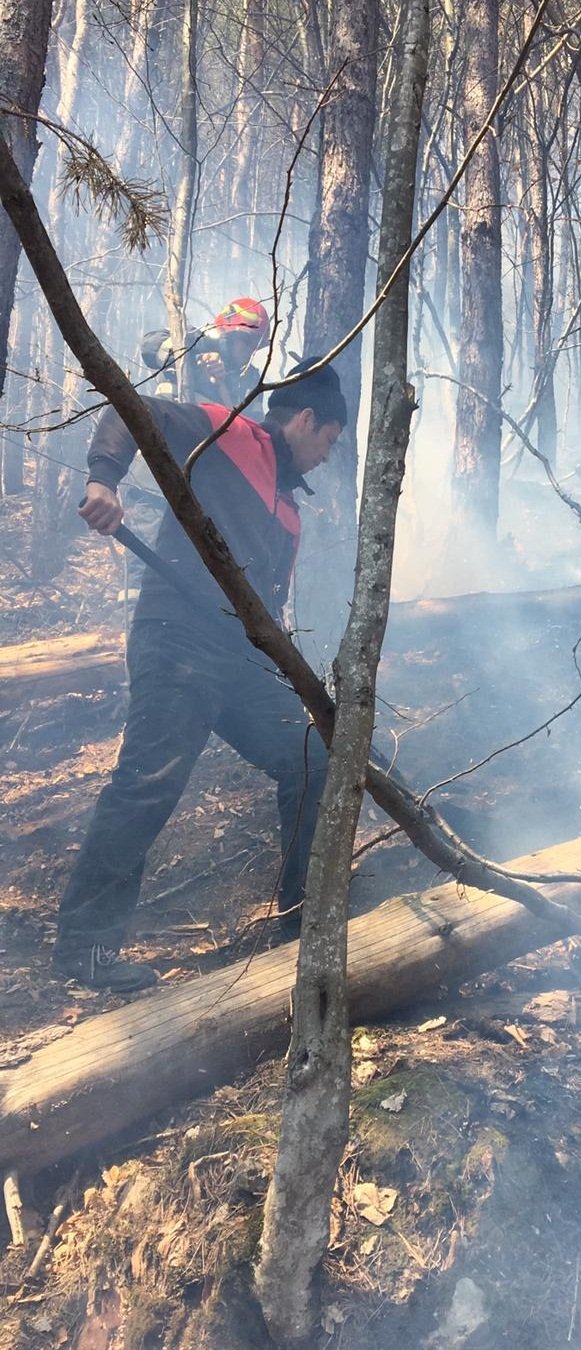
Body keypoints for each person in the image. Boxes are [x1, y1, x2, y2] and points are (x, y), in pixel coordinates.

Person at [51, 358, 346, 993]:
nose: (328, 456)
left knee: (313, 756)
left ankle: (303, 917)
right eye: (330, 440)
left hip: (237, 659)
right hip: (175, 637)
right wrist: (105, 481)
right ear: (306, 419)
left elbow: (266, 606)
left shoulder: (291, 514)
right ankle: (86, 949)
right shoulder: (227, 431)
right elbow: (134, 408)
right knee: (148, 783)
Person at [141, 297, 270, 408]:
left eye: (257, 345)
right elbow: (149, 347)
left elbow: (255, 424)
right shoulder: (193, 339)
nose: (252, 351)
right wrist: (195, 358)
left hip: (209, 435)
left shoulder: (251, 379)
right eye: (247, 341)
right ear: (229, 334)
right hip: (168, 423)